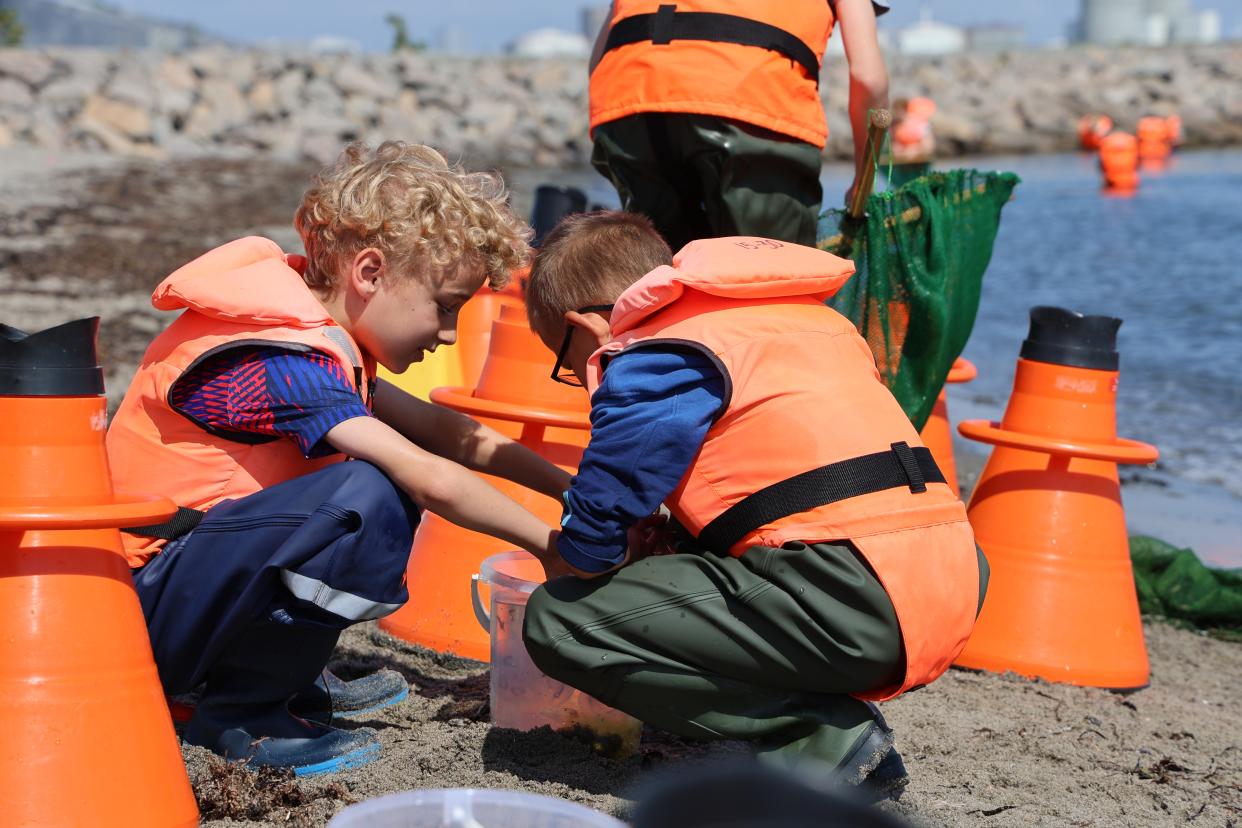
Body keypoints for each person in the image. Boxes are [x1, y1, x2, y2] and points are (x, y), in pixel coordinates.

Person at [106, 141, 572, 775]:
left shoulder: (317, 345)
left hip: (184, 590)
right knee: (370, 496)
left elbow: (451, 434)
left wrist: (568, 488)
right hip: (140, 618)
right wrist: (552, 546)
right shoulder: (280, 366)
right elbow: (430, 475)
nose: (449, 334)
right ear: (371, 273)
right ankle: (244, 712)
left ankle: (284, 680)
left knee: (361, 488)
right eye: (445, 307)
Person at [520, 211, 988, 797]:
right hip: (955, 582)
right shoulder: (806, 321)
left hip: (854, 595)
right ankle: (819, 720)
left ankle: (819, 737)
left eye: (565, 361)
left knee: (558, 621)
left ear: (584, 325)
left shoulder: (656, 351)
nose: (576, 375)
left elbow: (598, 520)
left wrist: (583, 552)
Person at [587, 0, 891, 250]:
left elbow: (597, 59)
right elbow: (868, 77)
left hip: (626, 104)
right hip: (749, 101)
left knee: (663, 276)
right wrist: (864, 175)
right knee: (770, 281)